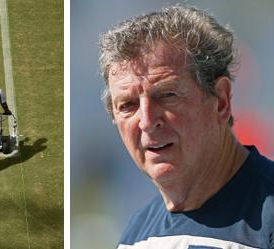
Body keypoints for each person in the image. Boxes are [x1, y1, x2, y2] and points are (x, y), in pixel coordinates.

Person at [99, 4, 274, 248]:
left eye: (167, 95)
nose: (147, 121)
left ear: (221, 101)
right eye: (127, 105)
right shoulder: (136, 234)